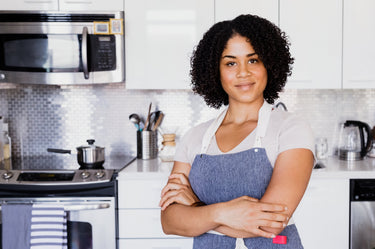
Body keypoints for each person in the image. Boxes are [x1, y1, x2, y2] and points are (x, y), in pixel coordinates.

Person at [159, 14, 315, 249]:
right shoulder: (195, 138)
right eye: (230, 63)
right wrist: (225, 214)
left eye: (253, 60)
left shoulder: (291, 130)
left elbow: (270, 225)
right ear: (215, 71)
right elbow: (169, 222)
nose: (243, 72)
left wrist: (196, 209)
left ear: (269, 64)